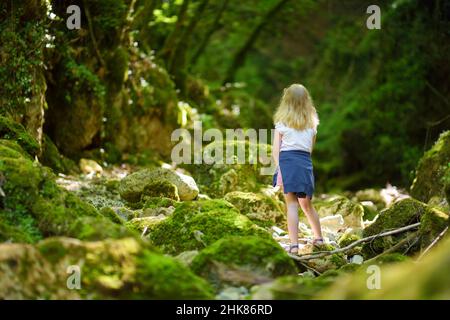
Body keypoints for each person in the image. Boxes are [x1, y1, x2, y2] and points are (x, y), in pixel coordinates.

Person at [271, 84, 323, 254]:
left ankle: (294, 245)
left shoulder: (281, 124)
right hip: (305, 162)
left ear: (286, 102)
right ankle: (319, 237)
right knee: (307, 204)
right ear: (307, 102)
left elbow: (275, 151)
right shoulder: (312, 125)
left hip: (287, 162)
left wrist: (280, 170)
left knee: (291, 204)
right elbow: (310, 149)